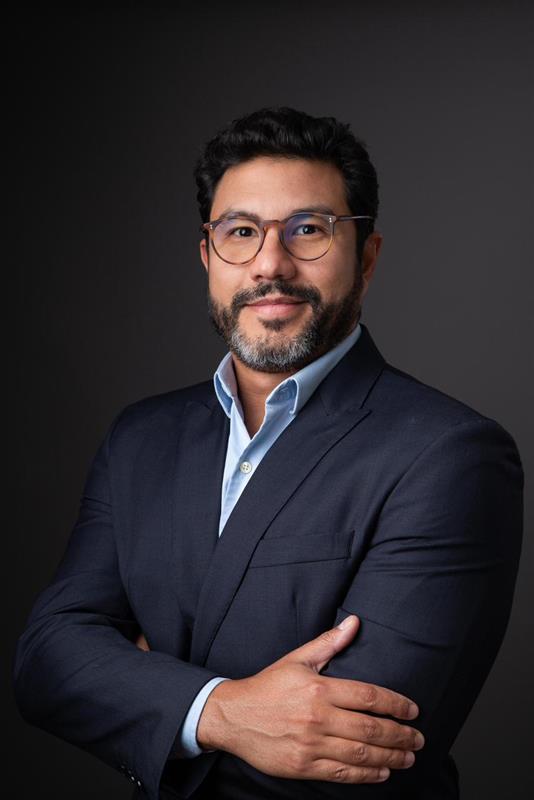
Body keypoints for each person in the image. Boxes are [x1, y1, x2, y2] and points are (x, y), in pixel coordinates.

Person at [13, 107, 523, 800]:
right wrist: (223, 713)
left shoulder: (449, 455)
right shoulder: (140, 439)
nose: (270, 264)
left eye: (309, 229)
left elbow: (355, 758)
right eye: (241, 231)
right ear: (208, 255)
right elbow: (47, 662)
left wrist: (138, 690)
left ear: (367, 257)